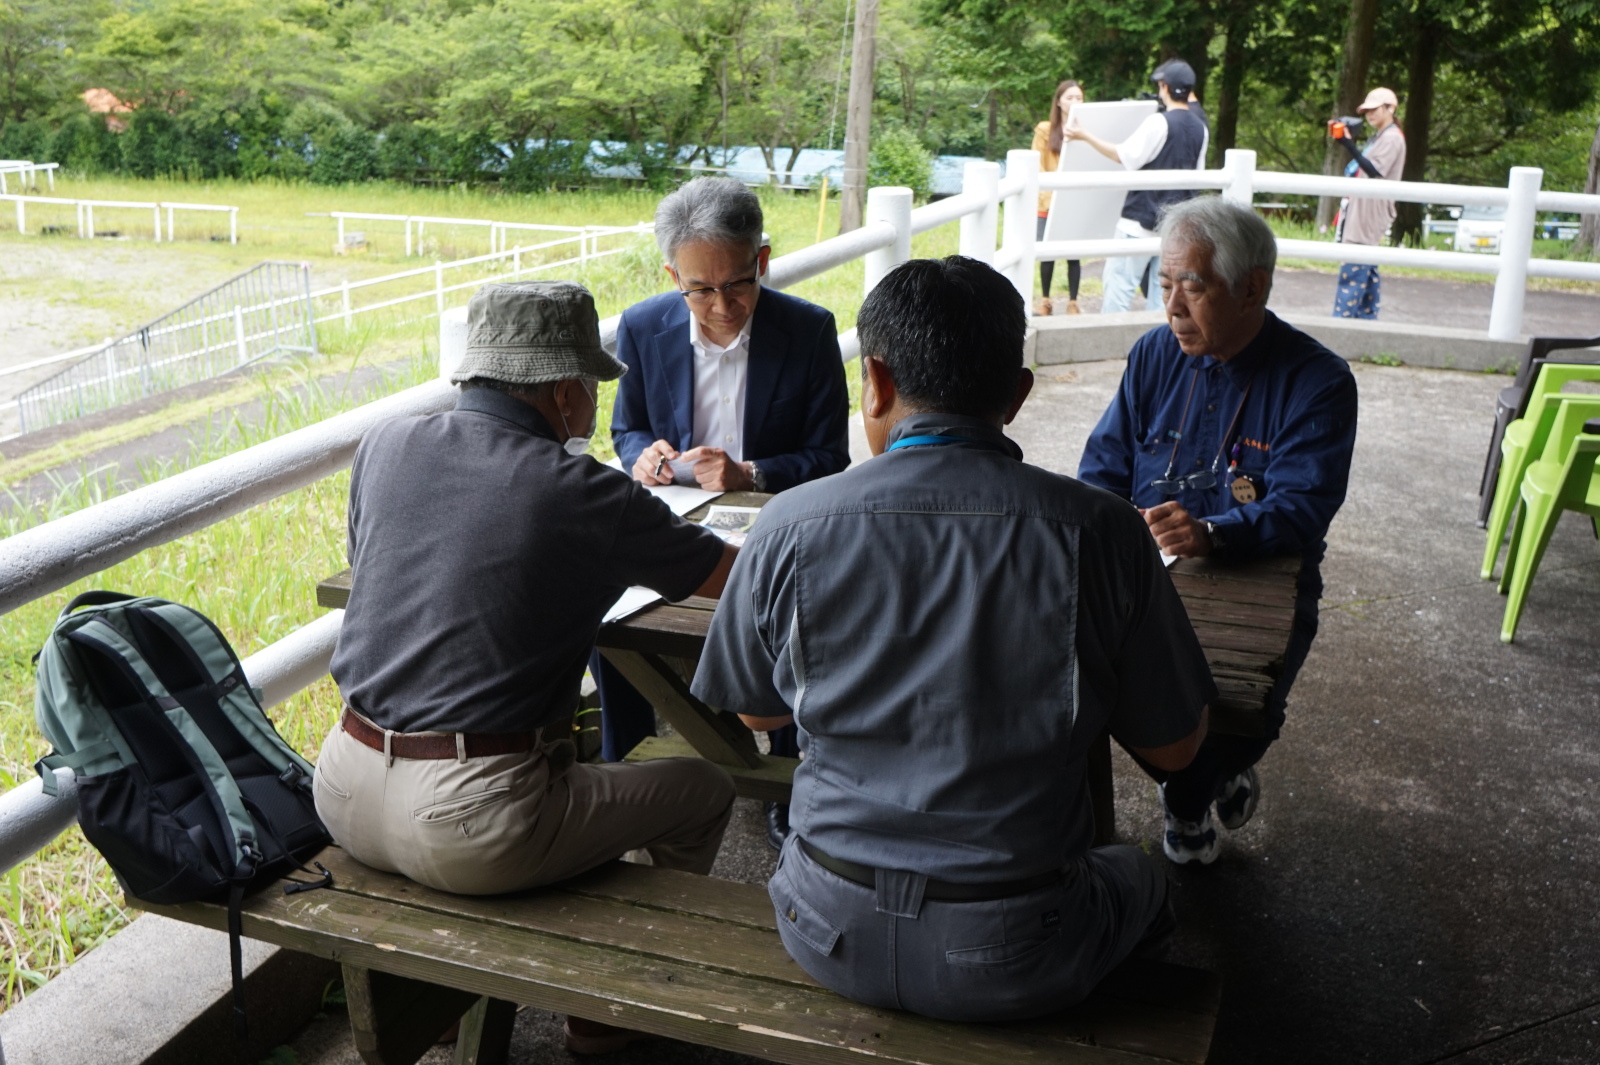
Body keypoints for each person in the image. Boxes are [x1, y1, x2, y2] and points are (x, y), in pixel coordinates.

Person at [691, 255, 1216, 1022]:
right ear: (1017, 394)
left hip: (821, 919)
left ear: (874, 380)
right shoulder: (1101, 530)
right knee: (1142, 876)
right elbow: (1176, 752)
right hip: (1016, 947)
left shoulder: (788, 524)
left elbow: (761, 717)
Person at [316, 280, 739, 1054]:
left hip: (341, 784)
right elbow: (731, 579)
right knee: (704, 789)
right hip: (473, 819)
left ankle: (438, 1003)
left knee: (560, 772)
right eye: (592, 387)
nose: (592, 406)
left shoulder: (386, 443)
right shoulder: (583, 489)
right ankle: (611, 1012)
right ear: (564, 391)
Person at [1078, 197, 1359, 865]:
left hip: (1259, 579)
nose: (1172, 306)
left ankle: (1197, 787)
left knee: (1240, 706)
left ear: (1252, 287)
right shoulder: (1153, 355)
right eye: (1164, 282)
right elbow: (1103, 468)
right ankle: (1192, 787)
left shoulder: (1317, 382)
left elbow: (1303, 506)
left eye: (1193, 287)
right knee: (1094, 682)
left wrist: (1212, 532)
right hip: (1150, 573)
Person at [601, 175, 851, 850]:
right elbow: (626, 429)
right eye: (700, 289)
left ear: (761, 261)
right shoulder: (643, 326)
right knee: (610, 623)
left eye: (737, 284)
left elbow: (831, 458)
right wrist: (642, 455)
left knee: (793, 620)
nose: (720, 305)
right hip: (677, 521)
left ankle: (786, 782)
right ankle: (616, 773)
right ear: (672, 276)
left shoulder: (808, 330)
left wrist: (752, 473)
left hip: (771, 526)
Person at [1066, 59, 1209, 314]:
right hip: (1175, 227)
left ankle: (1111, 344)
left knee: (1119, 285)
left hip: (1139, 221)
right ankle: (1160, 348)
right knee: (1163, 294)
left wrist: (1085, 135)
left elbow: (1124, 156)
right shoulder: (1201, 128)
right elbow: (1198, 175)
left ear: (1164, 87)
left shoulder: (1159, 122)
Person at [1331, 87, 1406, 319]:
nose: (1369, 114)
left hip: (1369, 213)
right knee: (1368, 272)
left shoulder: (1392, 138)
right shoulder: (1382, 136)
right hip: (1364, 209)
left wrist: (1348, 144)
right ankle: (1366, 322)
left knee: (1354, 269)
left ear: (1390, 109)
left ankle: (1341, 323)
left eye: (1375, 109)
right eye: (1367, 111)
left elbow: (1375, 172)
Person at [1032, 79, 1085, 315]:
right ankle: (1045, 301)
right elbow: (1038, 163)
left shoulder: (1086, 130)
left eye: (1079, 98)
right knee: (1048, 253)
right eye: (1069, 97)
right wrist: (1048, 191)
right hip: (1048, 200)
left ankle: (1073, 302)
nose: (1074, 102)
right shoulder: (1045, 129)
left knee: (1074, 254)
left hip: (1074, 201)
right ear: (1059, 102)